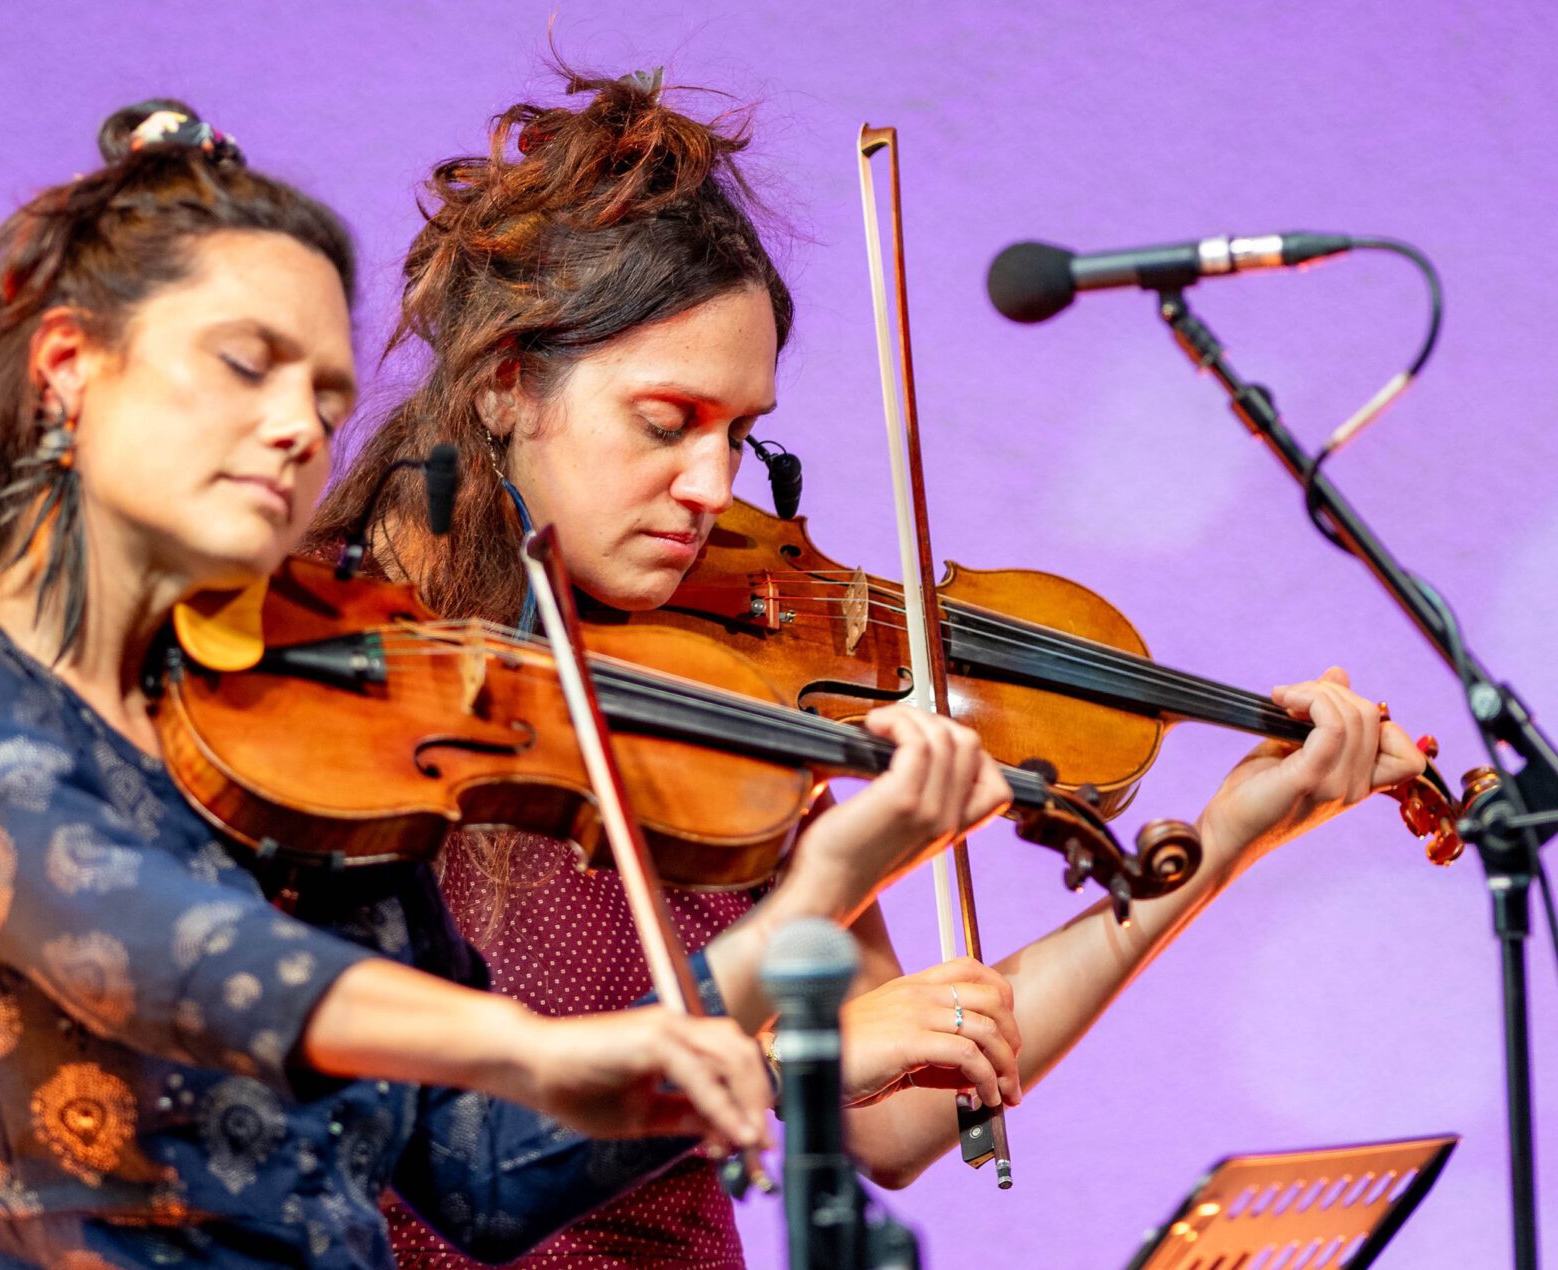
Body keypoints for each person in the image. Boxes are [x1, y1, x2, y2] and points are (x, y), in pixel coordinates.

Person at [0, 98, 999, 1270]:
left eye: (326, 393)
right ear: (70, 367)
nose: (299, 426)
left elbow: (490, 1174)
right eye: (246, 365)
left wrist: (815, 894)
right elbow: (187, 959)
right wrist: (526, 1045)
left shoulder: (316, 733)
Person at [308, 69, 1429, 1268]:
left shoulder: (722, 687)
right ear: (503, 380)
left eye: (740, 433)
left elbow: (897, 1115)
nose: (712, 486)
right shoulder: (314, 670)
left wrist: (1222, 841)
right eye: (667, 421)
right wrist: (789, 1053)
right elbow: (434, 1144)